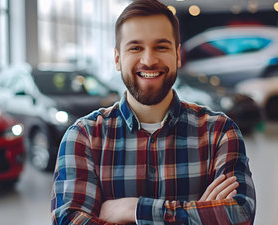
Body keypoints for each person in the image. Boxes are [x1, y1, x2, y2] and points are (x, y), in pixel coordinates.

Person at [51, 0, 256, 224]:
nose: (148, 60)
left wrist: (133, 209)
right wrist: (199, 213)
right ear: (118, 58)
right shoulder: (84, 136)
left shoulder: (219, 132)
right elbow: (69, 220)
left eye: (161, 47)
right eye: (135, 48)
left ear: (177, 55)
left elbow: (240, 215)